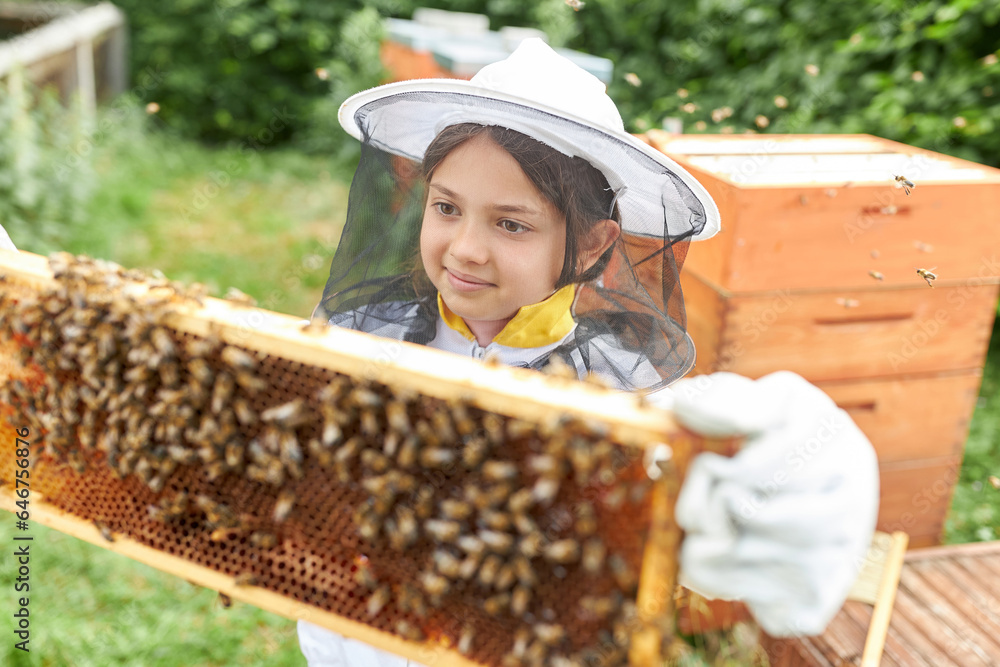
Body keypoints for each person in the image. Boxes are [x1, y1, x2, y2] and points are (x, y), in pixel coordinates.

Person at [297, 39, 879, 666]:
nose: (464, 247)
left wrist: (792, 474)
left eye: (511, 223)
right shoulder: (362, 339)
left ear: (589, 245)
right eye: (446, 207)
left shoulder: (622, 395)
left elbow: (694, 500)